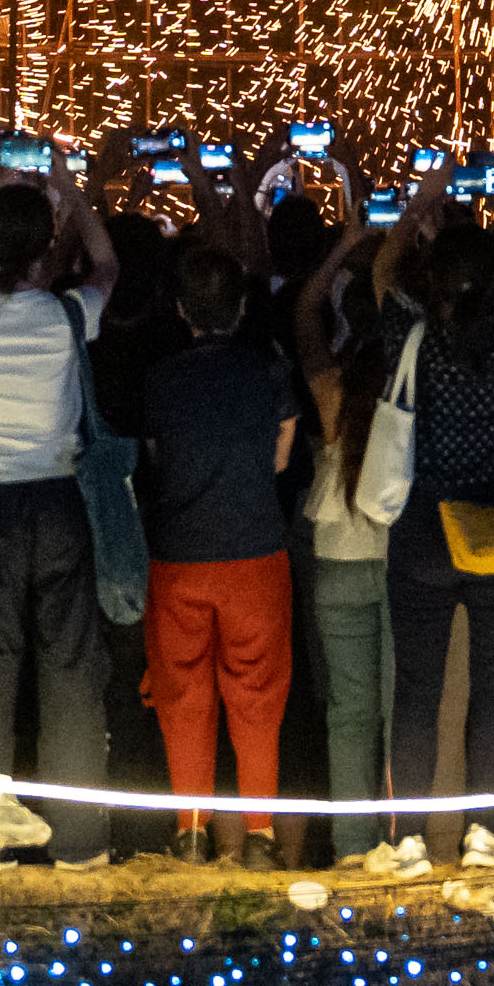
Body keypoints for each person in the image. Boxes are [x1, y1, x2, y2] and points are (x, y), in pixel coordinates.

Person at [0, 168, 121, 862]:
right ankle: (78, 840)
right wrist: (73, 188)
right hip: (61, 498)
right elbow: (107, 263)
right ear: (47, 247)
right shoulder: (70, 314)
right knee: (71, 669)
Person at [377, 178, 494, 870]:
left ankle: (409, 839)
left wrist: (421, 201)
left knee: (417, 692)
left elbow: (382, 273)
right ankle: (485, 833)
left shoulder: (411, 334)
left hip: (424, 526)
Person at [134, 233, 300, 865]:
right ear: (242, 307)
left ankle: (192, 832)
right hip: (256, 555)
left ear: (181, 309)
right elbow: (280, 458)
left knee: (182, 699)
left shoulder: (160, 379)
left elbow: (157, 460)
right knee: (257, 698)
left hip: (178, 559)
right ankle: (259, 835)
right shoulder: (269, 372)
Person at [291, 207, 415, 872]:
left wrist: (344, 245)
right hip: (396, 558)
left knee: (349, 712)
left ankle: (350, 848)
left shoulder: (330, 384)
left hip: (335, 557)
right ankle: (398, 840)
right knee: (398, 710)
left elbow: (303, 313)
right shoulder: (409, 379)